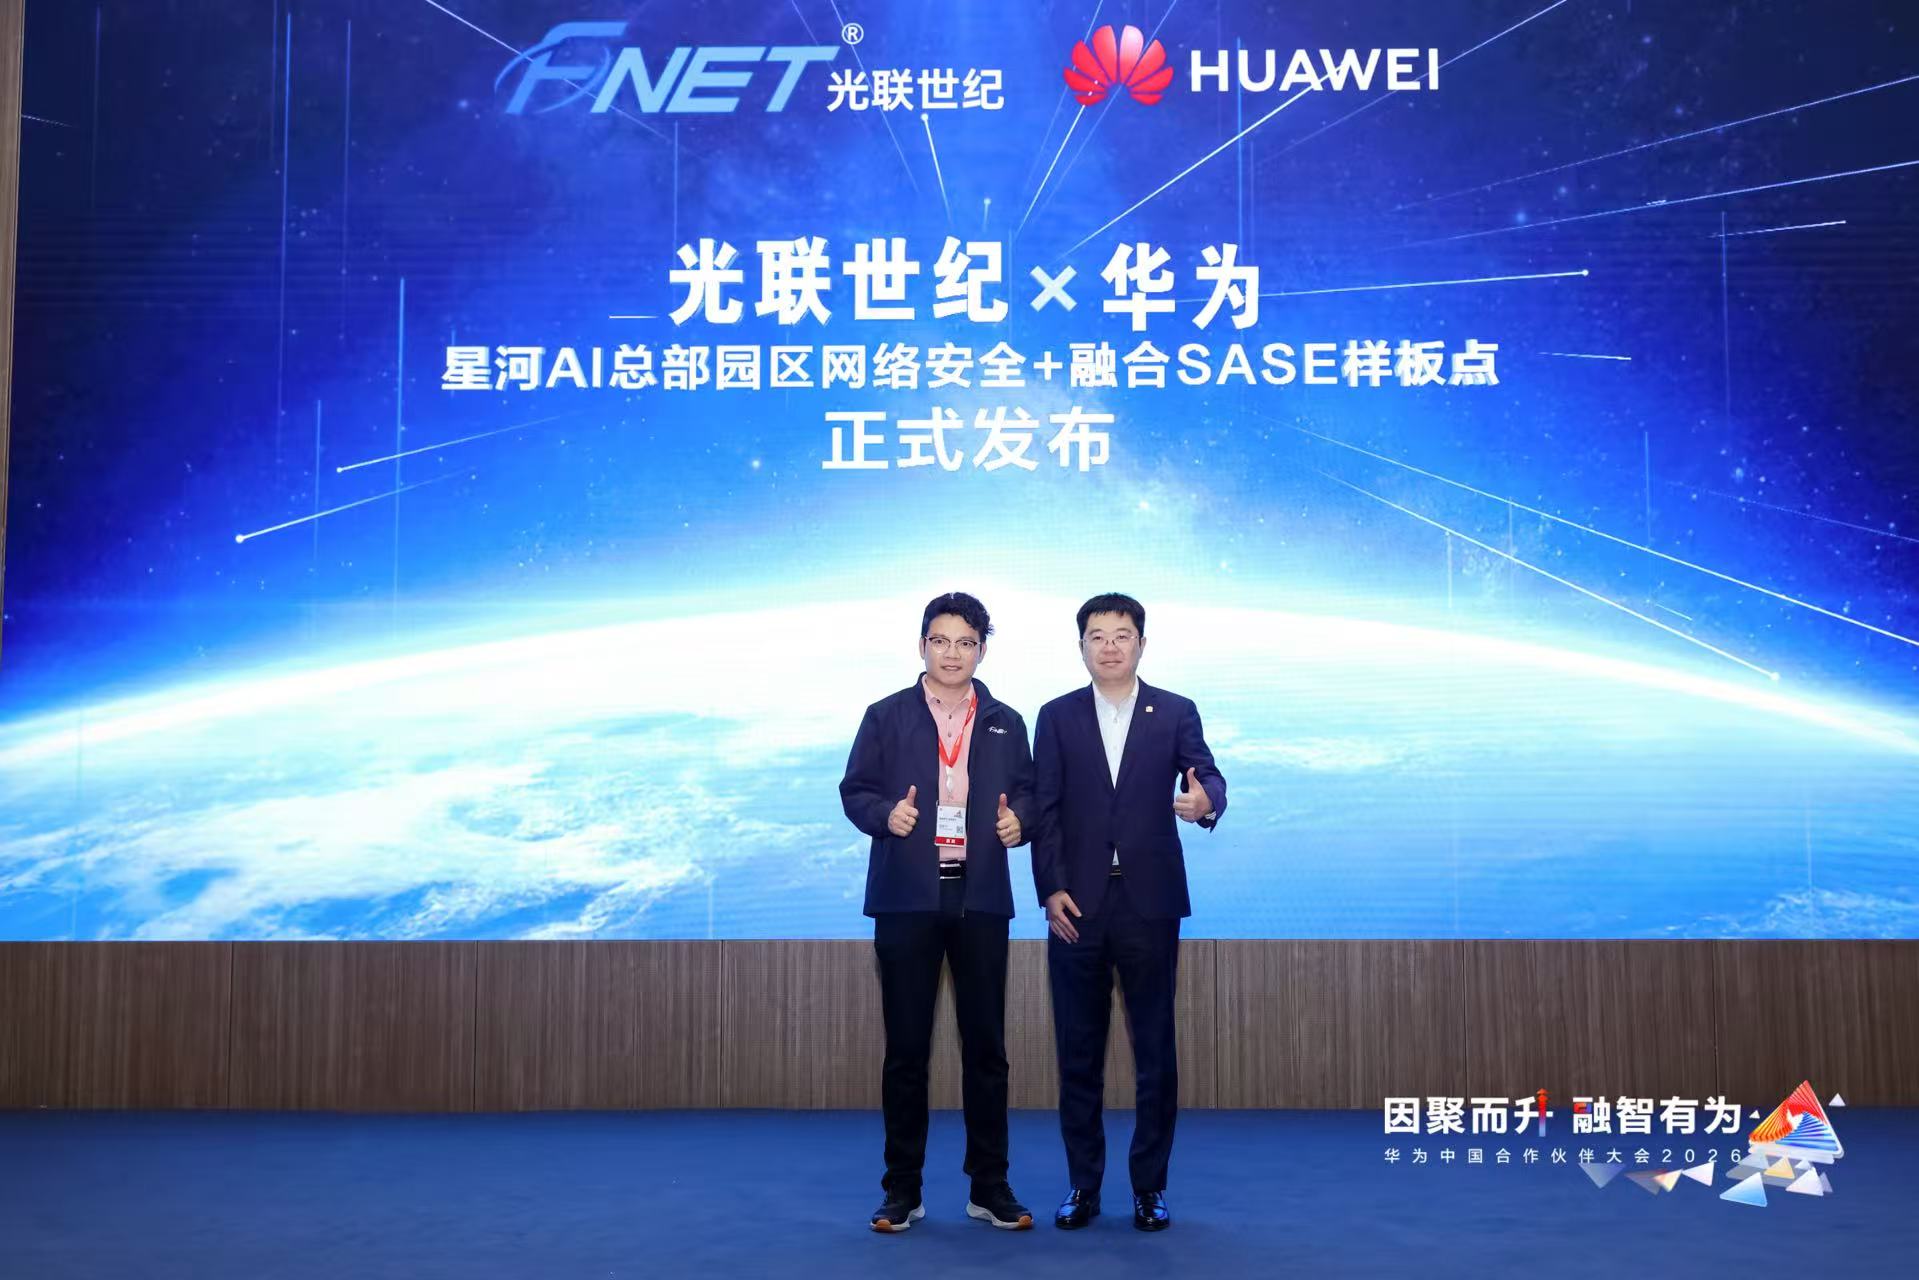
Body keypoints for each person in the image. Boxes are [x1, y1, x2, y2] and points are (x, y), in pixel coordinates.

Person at [839, 592, 1037, 1234]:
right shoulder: (885, 715)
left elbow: (1031, 793)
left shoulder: (1006, 720)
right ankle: (902, 1189)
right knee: (906, 1050)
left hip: (980, 898)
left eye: (966, 642)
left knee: (987, 1050)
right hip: (907, 898)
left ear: (983, 650)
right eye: (941, 641)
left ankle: (990, 1187)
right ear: (922, 645)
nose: (953, 654)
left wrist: (1020, 820)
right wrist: (884, 815)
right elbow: (855, 790)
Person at [1031, 592, 1227, 1233]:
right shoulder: (1056, 716)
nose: (1109, 646)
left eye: (1122, 635)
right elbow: (1045, 810)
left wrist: (1206, 804)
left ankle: (1149, 1188)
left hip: (1150, 904)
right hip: (1076, 906)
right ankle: (1083, 1187)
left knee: (1155, 1054)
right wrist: (1050, 889)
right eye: (1097, 635)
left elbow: (1209, 777)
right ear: (1081, 646)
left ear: (1142, 643)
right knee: (1078, 1053)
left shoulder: (1174, 710)